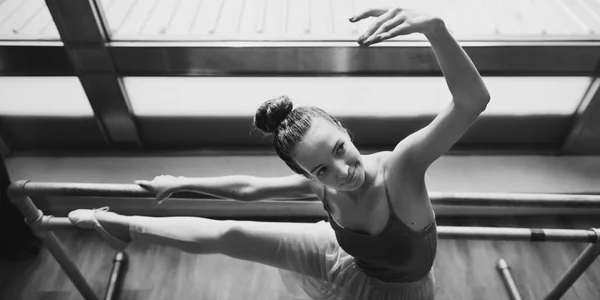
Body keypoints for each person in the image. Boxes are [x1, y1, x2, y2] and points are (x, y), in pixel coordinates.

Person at [68, 6, 490, 300]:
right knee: (229, 235)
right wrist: (180, 183)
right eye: (322, 169)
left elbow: (471, 101)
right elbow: (248, 188)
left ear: (344, 129)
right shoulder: (320, 189)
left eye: (341, 149)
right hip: (339, 258)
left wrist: (435, 28)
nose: (343, 172)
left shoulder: (402, 166)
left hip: (402, 295)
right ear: (309, 174)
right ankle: (126, 225)